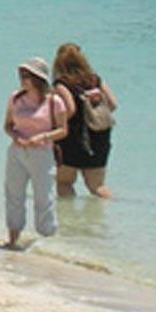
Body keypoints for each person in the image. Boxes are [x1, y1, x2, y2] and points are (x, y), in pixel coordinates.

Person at [2, 56, 74, 248]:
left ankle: (47, 242)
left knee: (44, 197)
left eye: (28, 76)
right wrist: (14, 136)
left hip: (42, 154)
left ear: (38, 78)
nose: (23, 79)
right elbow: (8, 125)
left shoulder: (54, 102)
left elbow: (63, 130)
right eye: (22, 75)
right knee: (13, 194)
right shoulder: (16, 98)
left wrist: (41, 138)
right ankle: (13, 237)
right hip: (17, 152)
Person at [51, 41, 117, 200]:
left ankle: (70, 223)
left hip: (72, 139)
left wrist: (54, 125)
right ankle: (107, 219)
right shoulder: (95, 80)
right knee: (98, 187)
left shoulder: (62, 84)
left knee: (65, 183)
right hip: (100, 137)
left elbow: (70, 109)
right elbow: (113, 105)